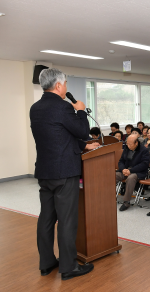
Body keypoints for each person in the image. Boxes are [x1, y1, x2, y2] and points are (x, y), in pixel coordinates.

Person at [30, 68, 98, 280]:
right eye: (66, 84)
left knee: (47, 218)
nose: (66, 87)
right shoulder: (63, 107)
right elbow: (82, 131)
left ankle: (47, 262)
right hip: (64, 172)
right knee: (67, 220)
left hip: (45, 172)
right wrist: (80, 110)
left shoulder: (35, 108)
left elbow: (56, 136)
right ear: (59, 86)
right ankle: (69, 267)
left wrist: (81, 147)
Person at [116, 135, 149, 211]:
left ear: (136, 143)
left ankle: (126, 202)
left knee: (131, 178)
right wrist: (123, 169)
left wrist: (130, 171)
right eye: (127, 143)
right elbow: (121, 161)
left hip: (137, 172)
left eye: (130, 144)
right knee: (114, 175)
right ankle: (108, 197)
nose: (128, 146)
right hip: (126, 170)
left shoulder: (144, 150)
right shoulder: (126, 148)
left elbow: (144, 164)